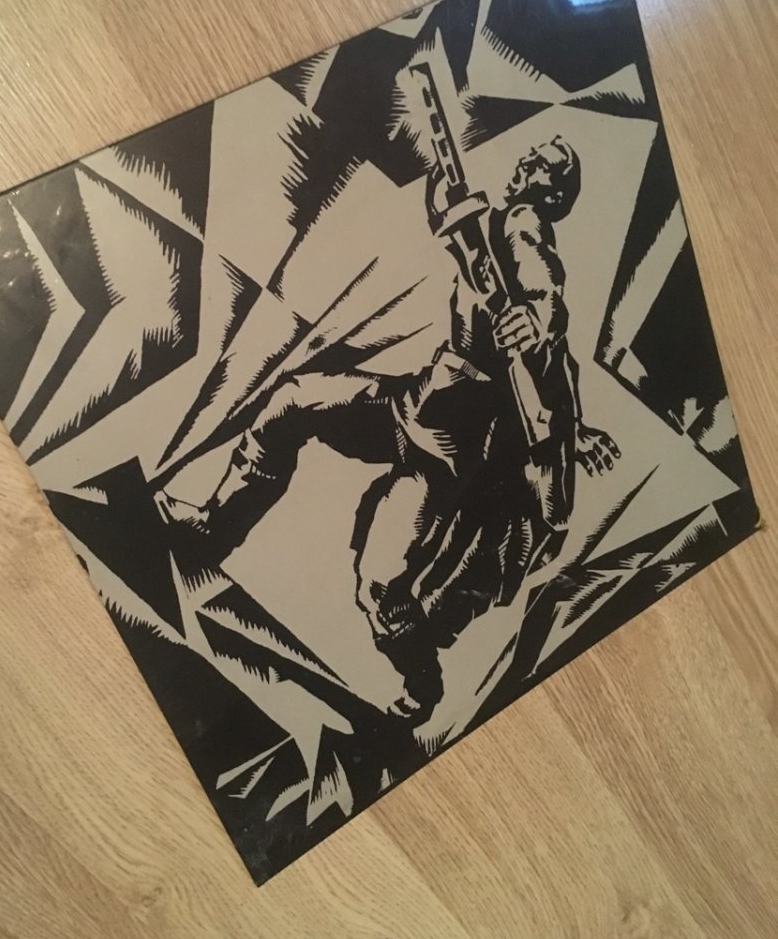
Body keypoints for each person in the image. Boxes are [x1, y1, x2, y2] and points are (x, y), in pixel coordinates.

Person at [156, 137, 619, 719]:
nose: (526, 162)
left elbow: (546, 292)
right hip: (414, 404)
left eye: (543, 165)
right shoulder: (489, 227)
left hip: (447, 455)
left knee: (379, 586)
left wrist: (536, 316)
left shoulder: (524, 226)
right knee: (293, 400)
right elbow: (550, 361)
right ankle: (213, 528)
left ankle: (422, 680)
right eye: (531, 154)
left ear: (553, 195)